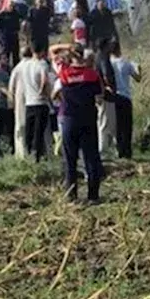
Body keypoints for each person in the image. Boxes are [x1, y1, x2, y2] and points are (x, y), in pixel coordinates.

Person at [50, 43, 104, 203]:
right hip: (87, 118)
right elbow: (99, 96)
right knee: (91, 157)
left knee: (70, 158)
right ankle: (93, 196)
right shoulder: (92, 74)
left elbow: (54, 95)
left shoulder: (63, 74)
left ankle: (71, 196)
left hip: (69, 119)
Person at [12, 47, 51, 161]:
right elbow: (44, 81)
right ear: (42, 52)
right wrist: (42, 93)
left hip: (28, 103)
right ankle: (37, 157)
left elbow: (12, 85)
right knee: (39, 133)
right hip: (40, 102)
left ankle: (28, 155)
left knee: (29, 132)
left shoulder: (21, 67)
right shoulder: (41, 64)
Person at [94, 41, 118, 157]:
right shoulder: (103, 57)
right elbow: (106, 74)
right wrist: (110, 87)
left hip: (100, 95)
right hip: (106, 96)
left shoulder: (96, 57)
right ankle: (103, 150)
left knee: (104, 122)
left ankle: (108, 148)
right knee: (105, 123)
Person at [0, 3, 21, 68]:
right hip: (5, 38)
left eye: (12, 6)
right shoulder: (2, 15)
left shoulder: (16, 14)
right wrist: (0, 39)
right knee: (5, 55)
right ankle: (6, 68)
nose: (11, 7)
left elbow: (18, 25)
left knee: (15, 55)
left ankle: (16, 67)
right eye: (10, 6)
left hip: (14, 37)